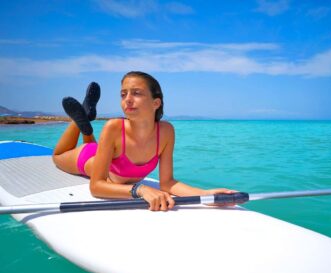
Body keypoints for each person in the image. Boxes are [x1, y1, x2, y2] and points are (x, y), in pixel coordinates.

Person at [53, 71, 234, 211]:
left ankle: (85, 120)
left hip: (106, 151)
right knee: (57, 156)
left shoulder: (166, 131)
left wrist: (205, 194)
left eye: (136, 93)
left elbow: (167, 183)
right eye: (123, 94)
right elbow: (96, 186)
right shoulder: (113, 127)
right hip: (86, 158)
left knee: (90, 143)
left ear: (156, 103)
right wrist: (139, 190)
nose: (127, 100)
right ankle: (79, 120)